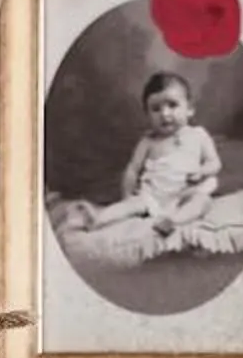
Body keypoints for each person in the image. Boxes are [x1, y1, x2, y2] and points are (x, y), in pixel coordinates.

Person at [69, 72, 221, 247]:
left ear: (189, 108)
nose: (165, 114)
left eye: (172, 105)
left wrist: (202, 172)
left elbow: (214, 163)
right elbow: (132, 170)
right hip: (152, 197)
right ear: (147, 115)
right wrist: (126, 195)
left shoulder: (198, 135)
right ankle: (97, 219)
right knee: (131, 205)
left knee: (202, 202)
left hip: (185, 194)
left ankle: (173, 221)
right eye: (156, 109)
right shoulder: (148, 142)